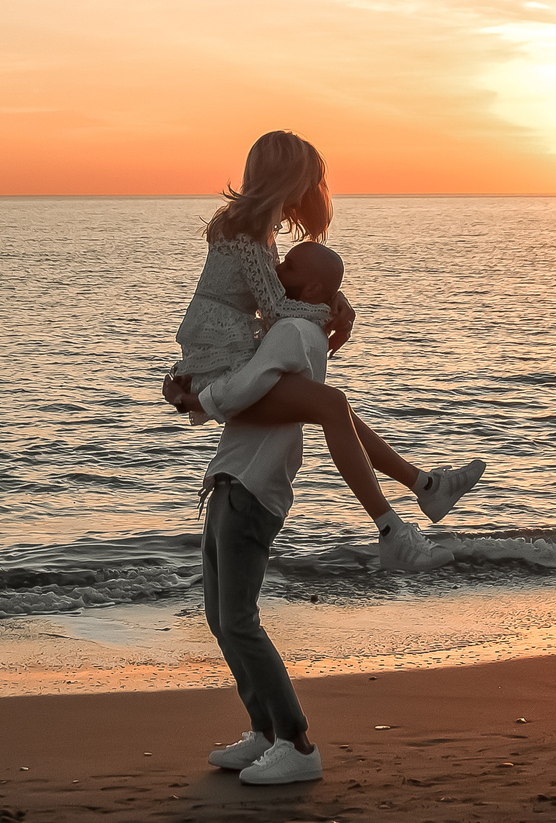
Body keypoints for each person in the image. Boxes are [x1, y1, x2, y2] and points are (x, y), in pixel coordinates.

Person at [162, 130, 484, 568]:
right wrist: (331, 313)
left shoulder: (255, 229)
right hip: (221, 365)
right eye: (308, 180)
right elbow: (275, 306)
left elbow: (278, 289)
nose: (311, 190)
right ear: (288, 178)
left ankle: (426, 487)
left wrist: (335, 302)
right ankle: (393, 531)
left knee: (338, 411)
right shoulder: (247, 229)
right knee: (334, 407)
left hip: (232, 354)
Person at [195, 240, 348, 785]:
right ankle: (263, 732)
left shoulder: (292, 334)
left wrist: (196, 395)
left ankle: (297, 743)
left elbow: (242, 390)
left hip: (250, 488)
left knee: (237, 621)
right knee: (222, 620)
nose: (274, 268)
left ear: (308, 289)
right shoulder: (299, 329)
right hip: (233, 482)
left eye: (288, 266)